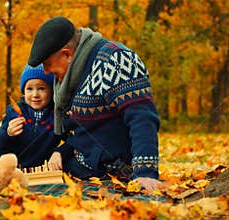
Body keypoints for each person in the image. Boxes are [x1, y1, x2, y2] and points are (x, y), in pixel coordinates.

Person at [28, 16, 161, 191]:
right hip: (80, 168)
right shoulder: (70, 76)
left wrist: (145, 172)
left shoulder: (116, 60)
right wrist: (61, 152)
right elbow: (81, 133)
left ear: (67, 54)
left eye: (48, 64)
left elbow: (141, 118)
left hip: (114, 174)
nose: (45, 71)